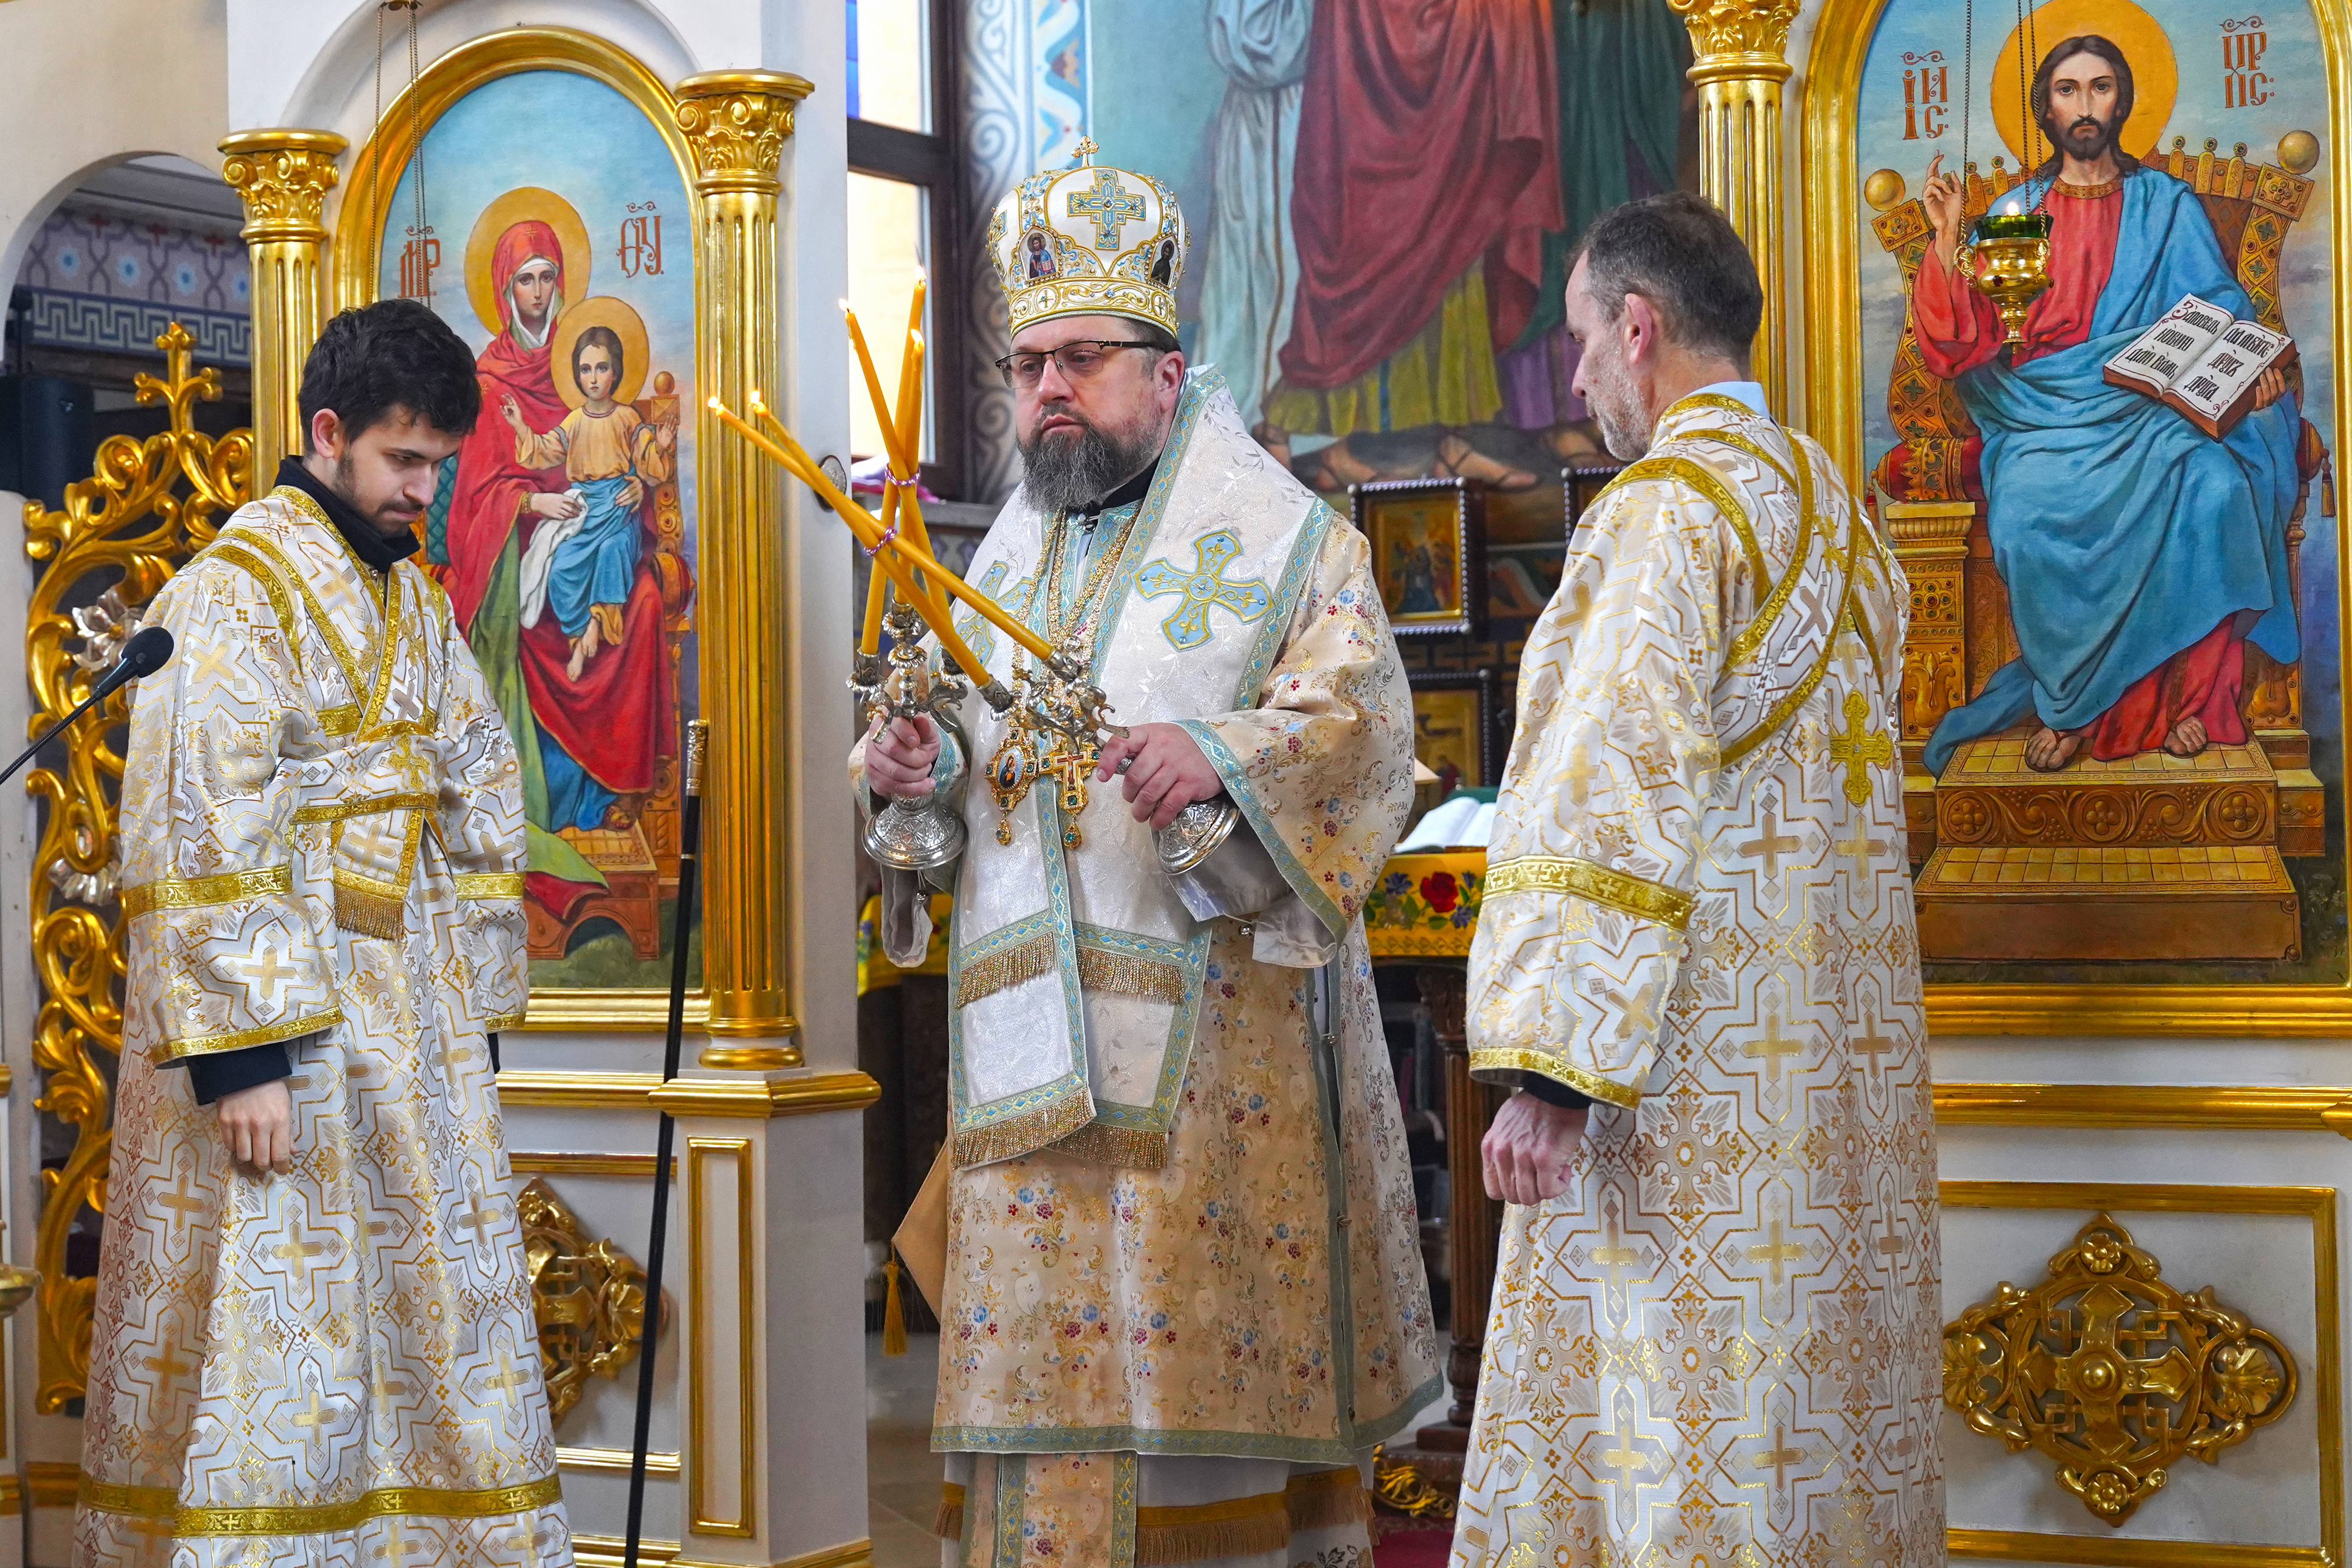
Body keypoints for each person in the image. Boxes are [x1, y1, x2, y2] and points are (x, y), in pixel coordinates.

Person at [859, 152, 1439, 1566]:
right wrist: (908, 771)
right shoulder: (1000, 556)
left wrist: (1223, 757)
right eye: (1030, 362)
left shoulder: (1283, 539)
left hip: (1207, 1076)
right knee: (1042, 1426)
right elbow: (945, 787)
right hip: (1023, 1075)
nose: (1049, 387)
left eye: (1082, 359)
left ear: (1165, 374)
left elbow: (1365, 727)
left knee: (1192, 1416)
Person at [1453, 193, 1940, 1563]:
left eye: (1579, 341)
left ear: (1639, 325)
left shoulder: (1661, 514)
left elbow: (1601, 795)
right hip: (1828, 1091)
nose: (1578, 376)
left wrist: (1550, 1074)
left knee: (1674, 1418)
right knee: (1807, 1427)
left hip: (1682, 1093)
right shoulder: (1843, 521)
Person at [76, 299, 569, 1567]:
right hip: (280, 1049)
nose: (425, 489)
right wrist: (241, 1057)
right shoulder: (233, 596)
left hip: (409, 1038)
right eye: (405, 461)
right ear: (326, 432)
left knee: (425, 1346)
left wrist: (472, 1012)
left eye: (439, 465)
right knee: (282, 1338)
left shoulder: (410, 602)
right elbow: (197, 824)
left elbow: (477, 781)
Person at [1912, 35, 2300, 772]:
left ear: (2122, 99)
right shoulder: (2016, 211)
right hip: (2042, 413)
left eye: (2098, 88)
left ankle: (2191, 702)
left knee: (2216, 487)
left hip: (2155, 413)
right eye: (2066, 90)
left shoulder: (2166, 204)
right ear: (2045, 106)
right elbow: (1966, 343)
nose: (2084, 106)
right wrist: (1946, 238)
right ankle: (2069, 705)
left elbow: (2220, 311)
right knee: (2025, 515)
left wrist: (2252, 376)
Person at [502, 323, 677, 684]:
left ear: (616, 372)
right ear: (577, 376)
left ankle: (594, 629)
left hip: (617, 510)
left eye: (602, 368)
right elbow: (546, 450)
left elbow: (650, 466)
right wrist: (520, 427)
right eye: (585, 370)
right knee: (562, 568)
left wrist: (659, 446)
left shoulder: (628, 418)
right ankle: (579, 631)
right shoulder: (576, 421)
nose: (594, 378)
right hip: (585, 512)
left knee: (613, 552)